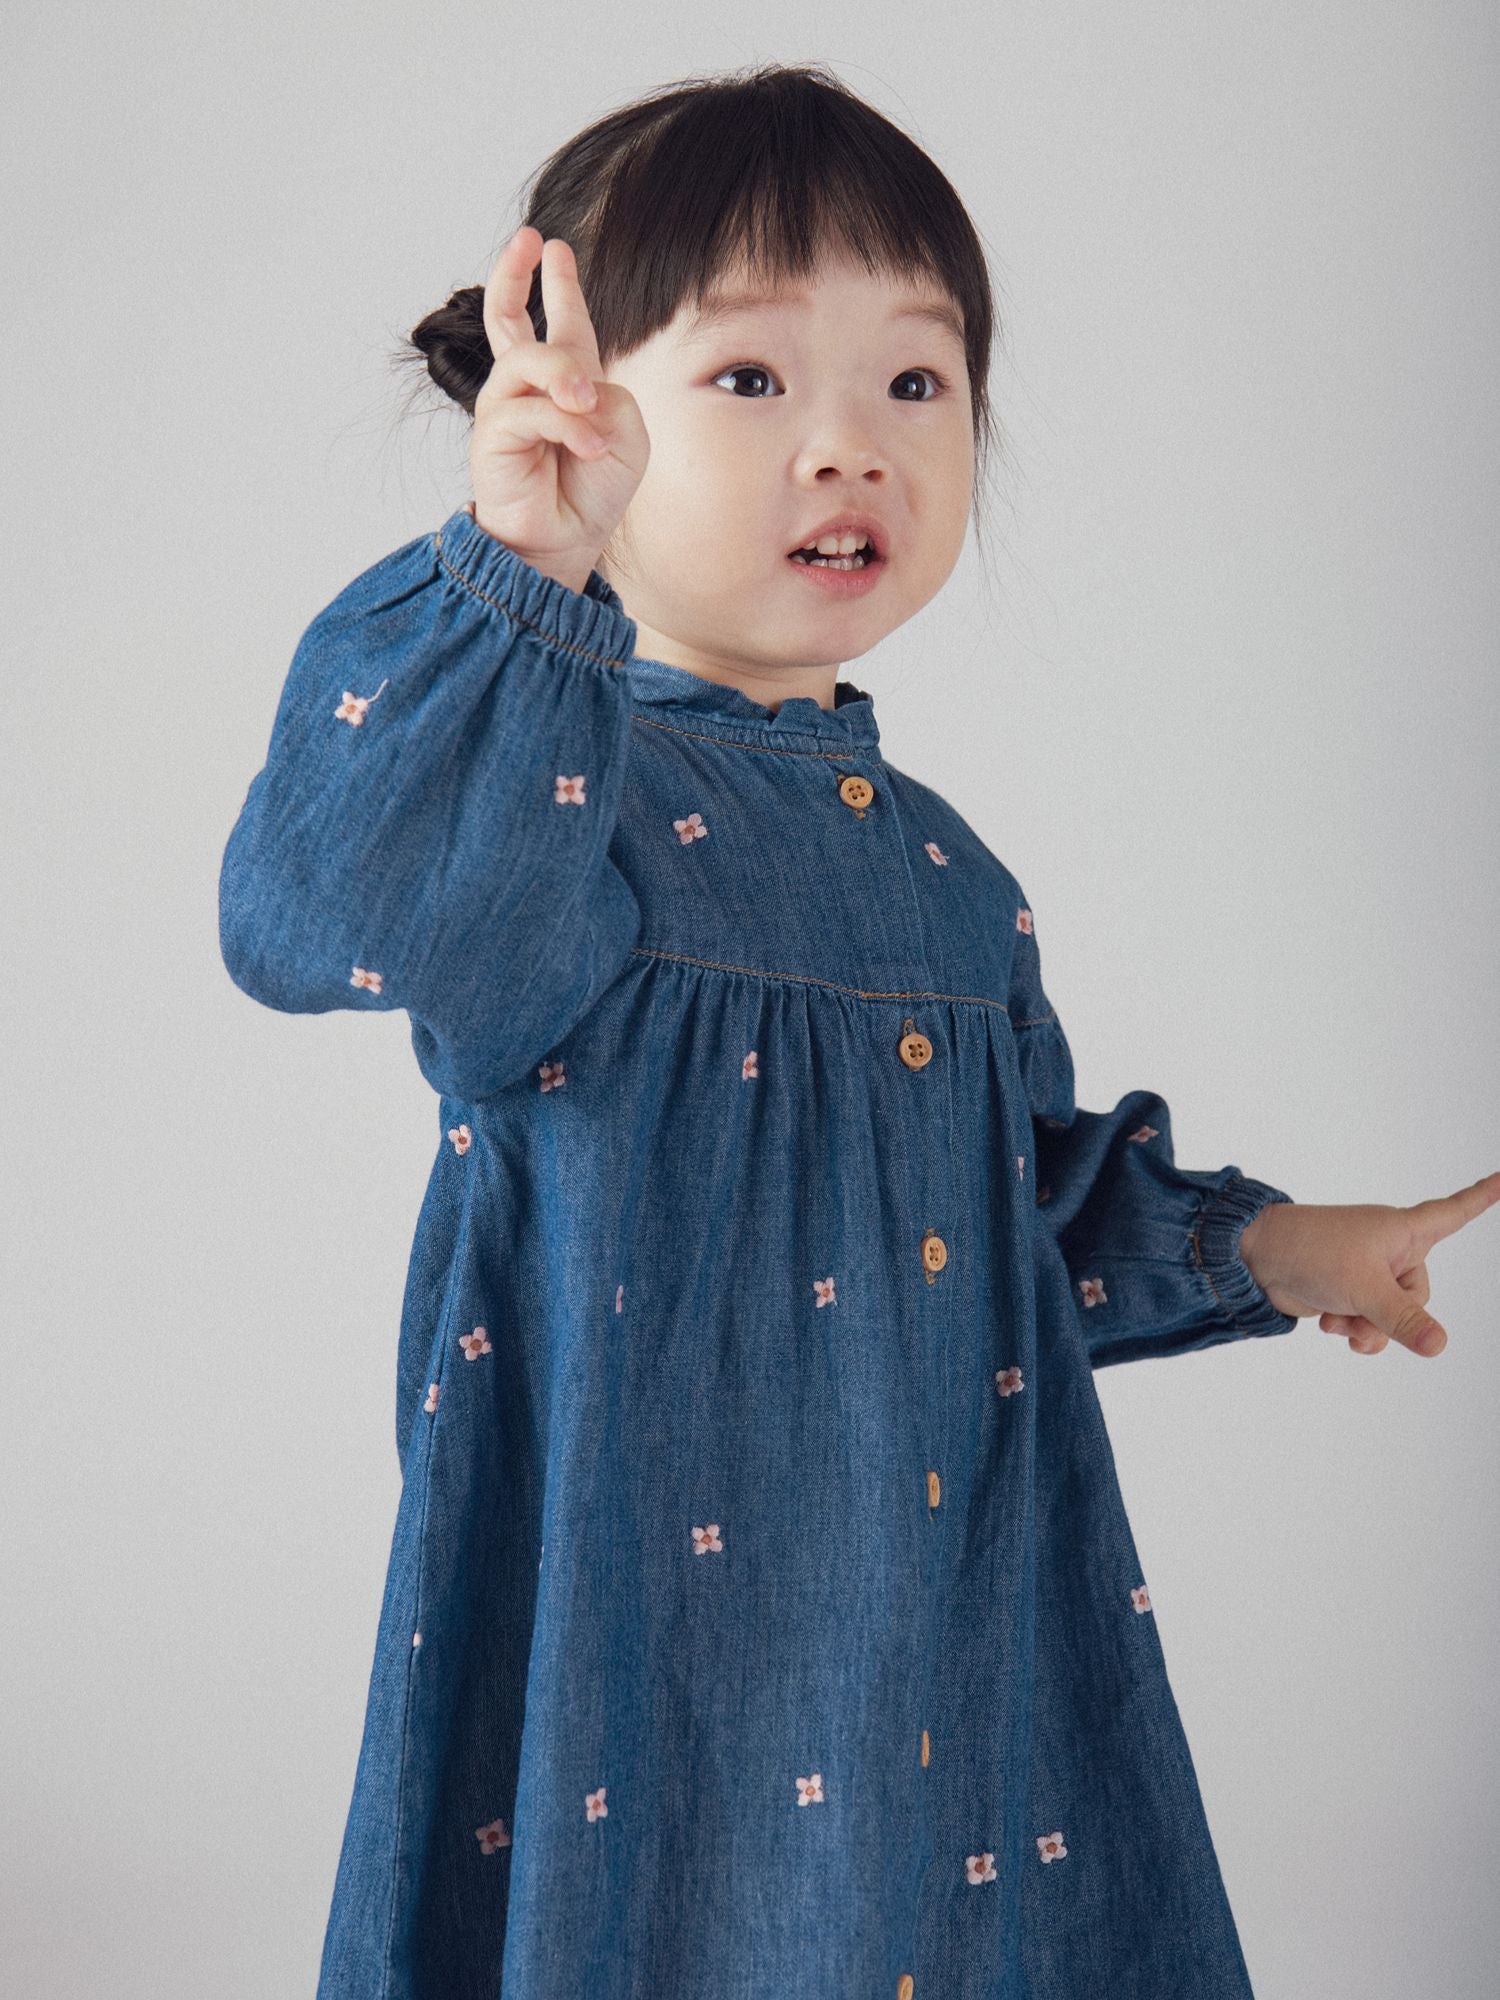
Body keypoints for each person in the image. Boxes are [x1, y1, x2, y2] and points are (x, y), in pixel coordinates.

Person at [217, 61, 1500, 2000]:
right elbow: (316, 912)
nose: (853, 447)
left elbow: (1017, 1224)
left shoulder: (953, 885)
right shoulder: (565, 816)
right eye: (751, 381)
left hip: (947, 1628)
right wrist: (513, 581)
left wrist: (1273, 1246)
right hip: (647, 1647)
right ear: (568, 406)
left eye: (917, 382)